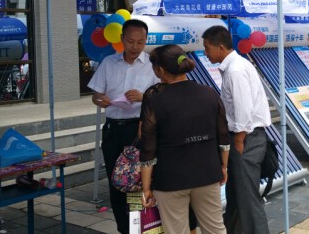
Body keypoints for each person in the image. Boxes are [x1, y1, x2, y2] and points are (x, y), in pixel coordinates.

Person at [140, 45, 229, 234]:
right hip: (208, 173)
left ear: (160, 70)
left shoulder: (155, 99)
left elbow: (148, 147)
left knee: (176, 230)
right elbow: (223, 136)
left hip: (170, 179)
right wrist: (223, 166)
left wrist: (146, 187)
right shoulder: (209, 93)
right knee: (215, 228)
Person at [88, 19, 160, 234]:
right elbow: (96, 94)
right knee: (116, 182)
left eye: (140, 42)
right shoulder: (109, 63)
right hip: (113, 130)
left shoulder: (152, 66)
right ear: (122, 40)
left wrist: (144, 97)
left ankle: (139, 228)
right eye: (130, 41)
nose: (135, 47)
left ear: (146, 41)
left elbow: (163, 100)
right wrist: (99, 99)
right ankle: (125, 229)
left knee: (137, 183)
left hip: (138, 131)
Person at [202, 25, 271, 234]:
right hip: (245, 139)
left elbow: (243, 109)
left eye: (207, 48)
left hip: (246, 140)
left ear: (220, 47)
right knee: (236, 195)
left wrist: (239, 141)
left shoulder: (235, 70)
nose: (205, 53)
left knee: (248, 199)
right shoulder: (237, 65)